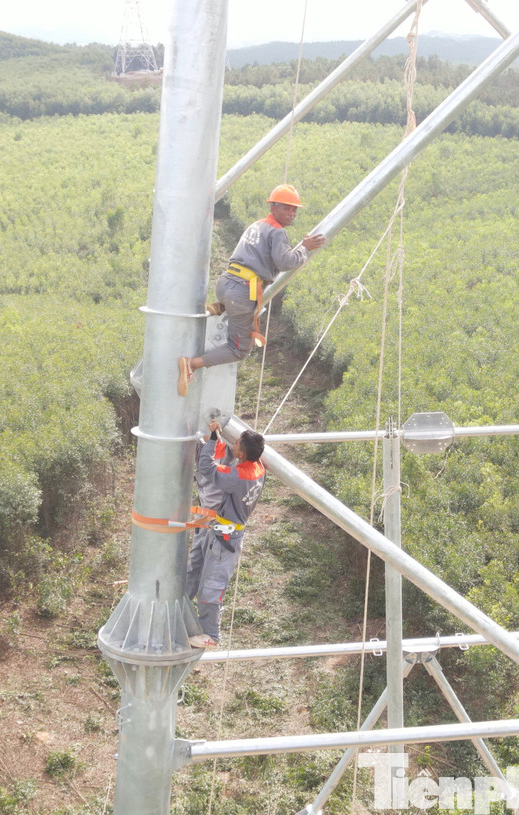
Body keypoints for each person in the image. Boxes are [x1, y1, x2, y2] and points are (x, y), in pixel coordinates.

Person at [178, 183, 326, 396]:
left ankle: (218, 307)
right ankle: (191, 364)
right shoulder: (278, 232)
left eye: (294, 209)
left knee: (236, 308)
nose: (292, 213)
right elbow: (285, 262)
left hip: (227, 283)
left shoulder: (257, 225)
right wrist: (304, 248)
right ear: (273, 207)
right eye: (287, 208)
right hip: (241, 292)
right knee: (239, 350)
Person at [185, 420, 267, 648]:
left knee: (210, 588)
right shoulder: (258, 467)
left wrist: (213, 438)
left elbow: (206, 468)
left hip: (225, 541)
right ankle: (180, 608)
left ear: (242, 453)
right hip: (220, 532)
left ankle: (211, 635)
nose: (234, 442)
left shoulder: (236, 476)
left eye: (237, 442)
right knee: (194, 571)